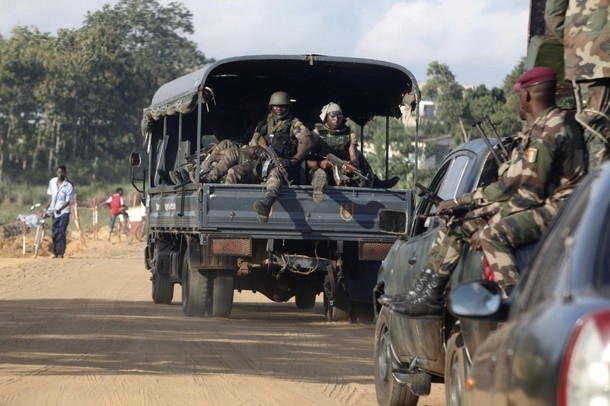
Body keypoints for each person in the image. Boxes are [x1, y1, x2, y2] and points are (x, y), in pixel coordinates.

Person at [382, 67, 587, 317]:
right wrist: (467, 206)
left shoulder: (552, 129)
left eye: (518, 96)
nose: (517, 103)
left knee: (492, 235)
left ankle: (515, 304)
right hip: (543, 204)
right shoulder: (543, 126)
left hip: (562, 209)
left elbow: (529, 194)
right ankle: (429, 295)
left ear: (528, 96)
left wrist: (489, 218)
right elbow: (512, 187)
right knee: (458, 224)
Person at [545, 0, 610, 169]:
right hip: (593, 57)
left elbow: (553, 16)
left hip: (590, 58)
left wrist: (579, 39)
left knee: (596, 129)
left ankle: (597, 191)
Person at [307, 102, 400, 202]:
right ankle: (319, 189)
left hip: (342, 167)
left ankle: (373, 182)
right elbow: (307, 161)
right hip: (323, 167)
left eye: (339, 116)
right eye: (333, 116)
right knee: (320, 175)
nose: (336, 120)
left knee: (358, 166)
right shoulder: (316, 134)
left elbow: (354, 158)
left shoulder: (349, 134)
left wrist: (350, 166)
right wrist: (320, 163)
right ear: (326, 117)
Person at [247, 91, 313, 222]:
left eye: (282, 106)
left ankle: (267, 203)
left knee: (275, 176)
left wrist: (293, 160)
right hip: (260, 163)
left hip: (281, 164)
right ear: (271, 107)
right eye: (276, 106)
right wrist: (257, 149)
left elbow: (308, 142)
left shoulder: (294, 124)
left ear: (288, 107)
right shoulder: (263, 124)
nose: (278, 109)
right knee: (235, 171)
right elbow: (251, 145)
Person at [44, 165, 74, 259]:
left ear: (65, 173)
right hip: (54, 211)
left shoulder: (68, 186)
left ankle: (61, 252)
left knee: (61, 231)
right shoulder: (52, 182)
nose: (60, 174)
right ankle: (55, 252)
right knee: (55, 232)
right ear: (56, 173)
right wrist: (45, 208)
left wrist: (60, 209)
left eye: (62, 172)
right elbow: (50, 197)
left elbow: (68, 201)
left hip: (64, 212)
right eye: (59, 172)